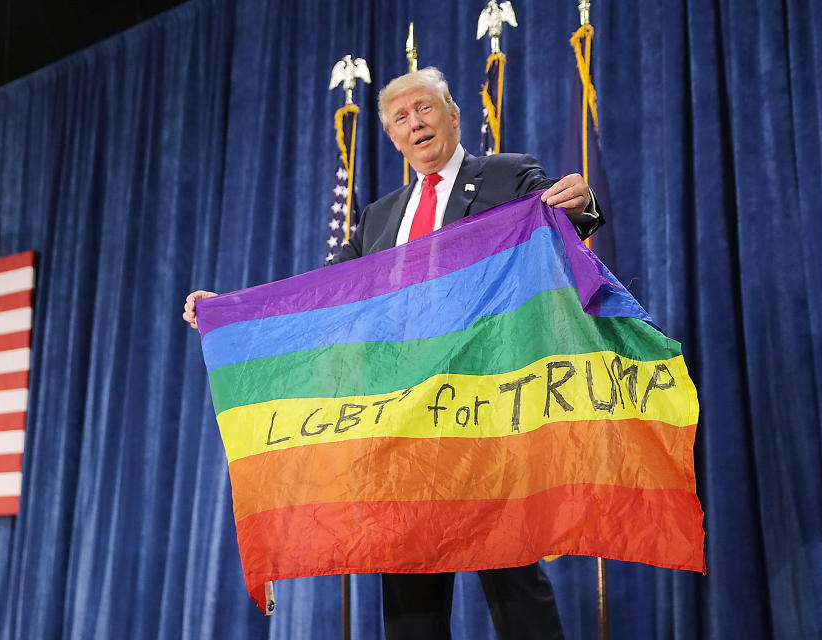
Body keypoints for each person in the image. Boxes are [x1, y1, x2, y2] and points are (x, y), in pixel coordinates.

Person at [183, 67, 604, 640]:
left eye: (424, 109)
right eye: (400, 118)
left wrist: (580, 203)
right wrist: (230, 309)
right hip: (402, 422)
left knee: (512, 579)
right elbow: (325, 292)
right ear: (392, 137)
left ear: (452, 114)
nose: (415, 124)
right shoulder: (379, 217)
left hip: (480, 412)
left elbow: (558, 220)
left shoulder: (506, 174)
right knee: (410, 593)